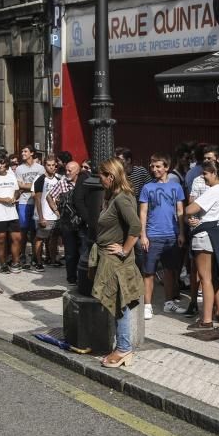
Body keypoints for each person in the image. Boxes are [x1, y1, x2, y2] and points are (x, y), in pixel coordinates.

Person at [90, 157, 144, 368]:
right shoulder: (114, 196)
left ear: (110, 177)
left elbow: (136, 227)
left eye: (101, 176)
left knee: (119, 304)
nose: (99, 180)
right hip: (109, 259)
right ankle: (121, 346)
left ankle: (123, 348)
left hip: (116, 261)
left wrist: (125, 249)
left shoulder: (122, 198)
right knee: (116, 303)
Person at [137, 153, 186, 318]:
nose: (154, 169)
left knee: (170, 271)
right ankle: (147, 305)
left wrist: (181, 233)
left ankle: (168, 302)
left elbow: (180, 211)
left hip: (171, 235)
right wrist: (143, 235)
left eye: (158, 166)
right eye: (152, 166)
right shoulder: (147, 188)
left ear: (167, 167)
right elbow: (142, 213)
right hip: (153, 235)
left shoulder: (176, 188)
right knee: (149, 272)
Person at [184, 160, 219, 328]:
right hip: (211, 233)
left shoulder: (215, 190)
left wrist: (190, 215)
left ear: (214, 173)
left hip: (205, 236)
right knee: (211, 278)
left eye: (205, 173)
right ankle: (212, 315)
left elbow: (189, 209)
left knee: (206, 279)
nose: (203, 177)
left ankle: (206, 320)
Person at [33, 156, 61, 271]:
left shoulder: (58, 179)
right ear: (45, 165)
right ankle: (38, 262)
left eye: (53, 165)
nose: (51, 167)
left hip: (55, 215)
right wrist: (41, 217)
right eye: (48, 165)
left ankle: (52, 259)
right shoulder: (40, 180)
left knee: (53, 238)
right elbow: (38, 199)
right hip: (43, 214)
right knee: (40, 238)